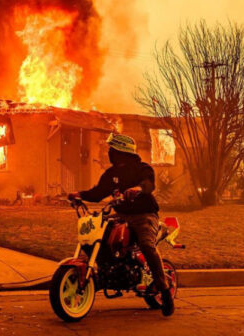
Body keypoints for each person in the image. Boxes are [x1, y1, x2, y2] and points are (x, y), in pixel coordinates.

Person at [68, 133, 175, 317]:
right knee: (99, 237)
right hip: (122, 215)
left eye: (112, 149)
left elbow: (149, 184)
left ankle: (164, 290)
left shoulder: (142, 169)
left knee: (147, 246)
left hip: (144, 215)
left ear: (121, 152)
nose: (110, 153)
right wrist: (80, 194)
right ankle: (108, 272)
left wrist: (138, 189)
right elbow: (98, 193)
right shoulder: (111, 174)